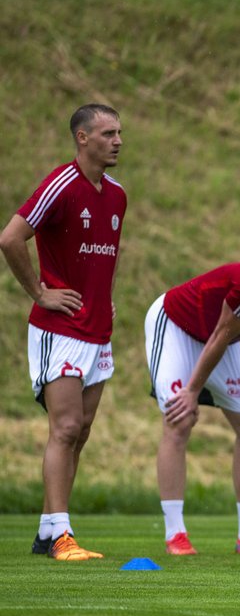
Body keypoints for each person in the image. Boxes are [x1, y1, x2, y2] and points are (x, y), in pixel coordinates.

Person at [0, 103, 127, 560]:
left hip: (99, 331)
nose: (117, 141)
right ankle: (60, 536)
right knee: (66, 426)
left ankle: (46, 530)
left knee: (82, 430)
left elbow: (108, 256)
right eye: (108, 133)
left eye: (119, 133)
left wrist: (105, 296)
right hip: (61, 329)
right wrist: (39, 292)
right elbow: (10, 237)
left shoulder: (116, 194)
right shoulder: (61, 184)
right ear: (82, 138)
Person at [144, 253, 240, 556]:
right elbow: (221, 332)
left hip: (222, 340)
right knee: (179, 419)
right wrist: (192, 390)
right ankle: (175, 534)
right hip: (176, 328)